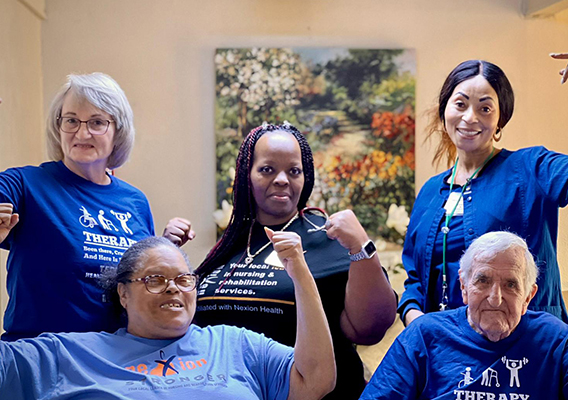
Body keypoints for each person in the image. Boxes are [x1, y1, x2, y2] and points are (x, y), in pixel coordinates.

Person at [194, 122, 397, 399]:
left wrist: (362, 247)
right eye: (267, 169)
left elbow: (369, 329)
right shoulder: (228, 245)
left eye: (293, 171)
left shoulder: (327, 236)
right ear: (246, 176)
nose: (281, 179)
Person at [399, 52, 568, 326]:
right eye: (460, 104)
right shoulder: (431, 192)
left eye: (485, 108)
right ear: (444, 111)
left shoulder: (531, 168)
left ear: (499, 121)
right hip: (446, 352)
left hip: (524, 349)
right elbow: (414, 278)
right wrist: (416, 320)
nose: (470, 118)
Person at [0, 236, 335, 399]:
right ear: (123, 294)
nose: (174, 289)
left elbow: (316, 380)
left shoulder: (233, 342)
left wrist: (300, 274)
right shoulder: (69, 355)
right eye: (155, 280)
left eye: (184, 279)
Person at [0, 73, 178, 340]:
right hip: (44, 360)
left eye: (97, 122)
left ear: (118, 130)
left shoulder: (135, 202)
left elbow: (138, 287)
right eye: (71, 120)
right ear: (58, 126)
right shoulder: (25, 184)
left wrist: (163, 250)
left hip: (118, 360)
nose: (82, 133)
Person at [360, 231, 568, 399]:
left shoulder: (554, 338)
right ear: (463, 287)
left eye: (511, 285)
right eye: (482, 281)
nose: (495, 298)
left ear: (528, 296)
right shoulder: (424, 334)